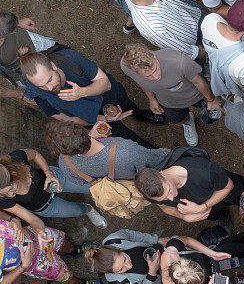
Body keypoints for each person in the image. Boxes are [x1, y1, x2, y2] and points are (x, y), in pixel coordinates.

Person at [18, 47, 163, 142]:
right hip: (92, 118)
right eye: (41, 85)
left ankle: (138, 114)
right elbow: (66, 118)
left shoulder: (69, 59)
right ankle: (148, 149)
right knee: (123, 136)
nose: (49, 88)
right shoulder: (38, 94)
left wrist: (81, 93)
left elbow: (105, 83)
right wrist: (105, 119)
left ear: (53, 66)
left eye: (49, 79)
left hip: (108, 95)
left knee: (126, 104)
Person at [120, 44, 222, 148]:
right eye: (148, 76)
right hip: (168, 102)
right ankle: (188, 122)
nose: (155, 77)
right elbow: (140, 82)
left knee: (211, 114)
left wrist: (211, 99)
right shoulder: (126, 67)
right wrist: (152, 99)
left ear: (153, 56)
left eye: (155, 69)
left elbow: (198, 81)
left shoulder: (179, 61)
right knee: (178, 119)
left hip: (196, 96)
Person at [134, 150, 244, 223]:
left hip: (223, 189)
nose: (171, 198)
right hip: (202, 206)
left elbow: (228, 186)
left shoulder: (203, 172)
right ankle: (223, 214)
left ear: (162, 173)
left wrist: (203, 207)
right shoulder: (151, 192)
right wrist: (183, 216)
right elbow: (164, 207)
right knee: (215, 215)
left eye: (169, 190)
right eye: (164, 198)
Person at [0, 148, 106, 227]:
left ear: (13, 173)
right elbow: (31, 219)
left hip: (53, 178)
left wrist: (48, 173)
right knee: (77, 211)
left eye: (10, 187)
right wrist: (39, 230)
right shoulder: (2, 200)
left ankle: (112, 192)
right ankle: (88, 209)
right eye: (4, 195)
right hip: (46, 206)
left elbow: (35, 154)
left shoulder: (15, 159)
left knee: (92, 187)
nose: (10, 195)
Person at [120, 0, 204, 60]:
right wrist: (199, 52)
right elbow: (181, 50)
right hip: (194, 41)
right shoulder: (154, 29)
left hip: (192, 14)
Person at [0, 215, 103, 284]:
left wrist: (12, 219)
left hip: (33, 234)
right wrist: (23, 267)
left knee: (61, 241)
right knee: (67, 276)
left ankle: (74, 251)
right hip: (35, 263)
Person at [47, 121, 166, 186]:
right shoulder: (125, 149)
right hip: (155, 175)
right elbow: (158, 159)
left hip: (127, 184)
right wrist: (165, 151)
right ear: (82, 129)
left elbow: (81, 182)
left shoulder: (64, 163)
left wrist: (89, 138)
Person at [84, 229, 170, 284]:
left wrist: (156, 240)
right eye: (121, 269)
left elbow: (132, 235)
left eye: (124, 259)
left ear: (117, 249)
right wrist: (151, 274)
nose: (129, 266)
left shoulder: (114, 239)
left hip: (153, 250)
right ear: (113, 273)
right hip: (155, 278)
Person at [0, 10, 57, 99]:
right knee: (49, 89)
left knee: (63, 58)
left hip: (33, 43)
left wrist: (17, 23)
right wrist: (20, 95)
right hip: (23, 72)